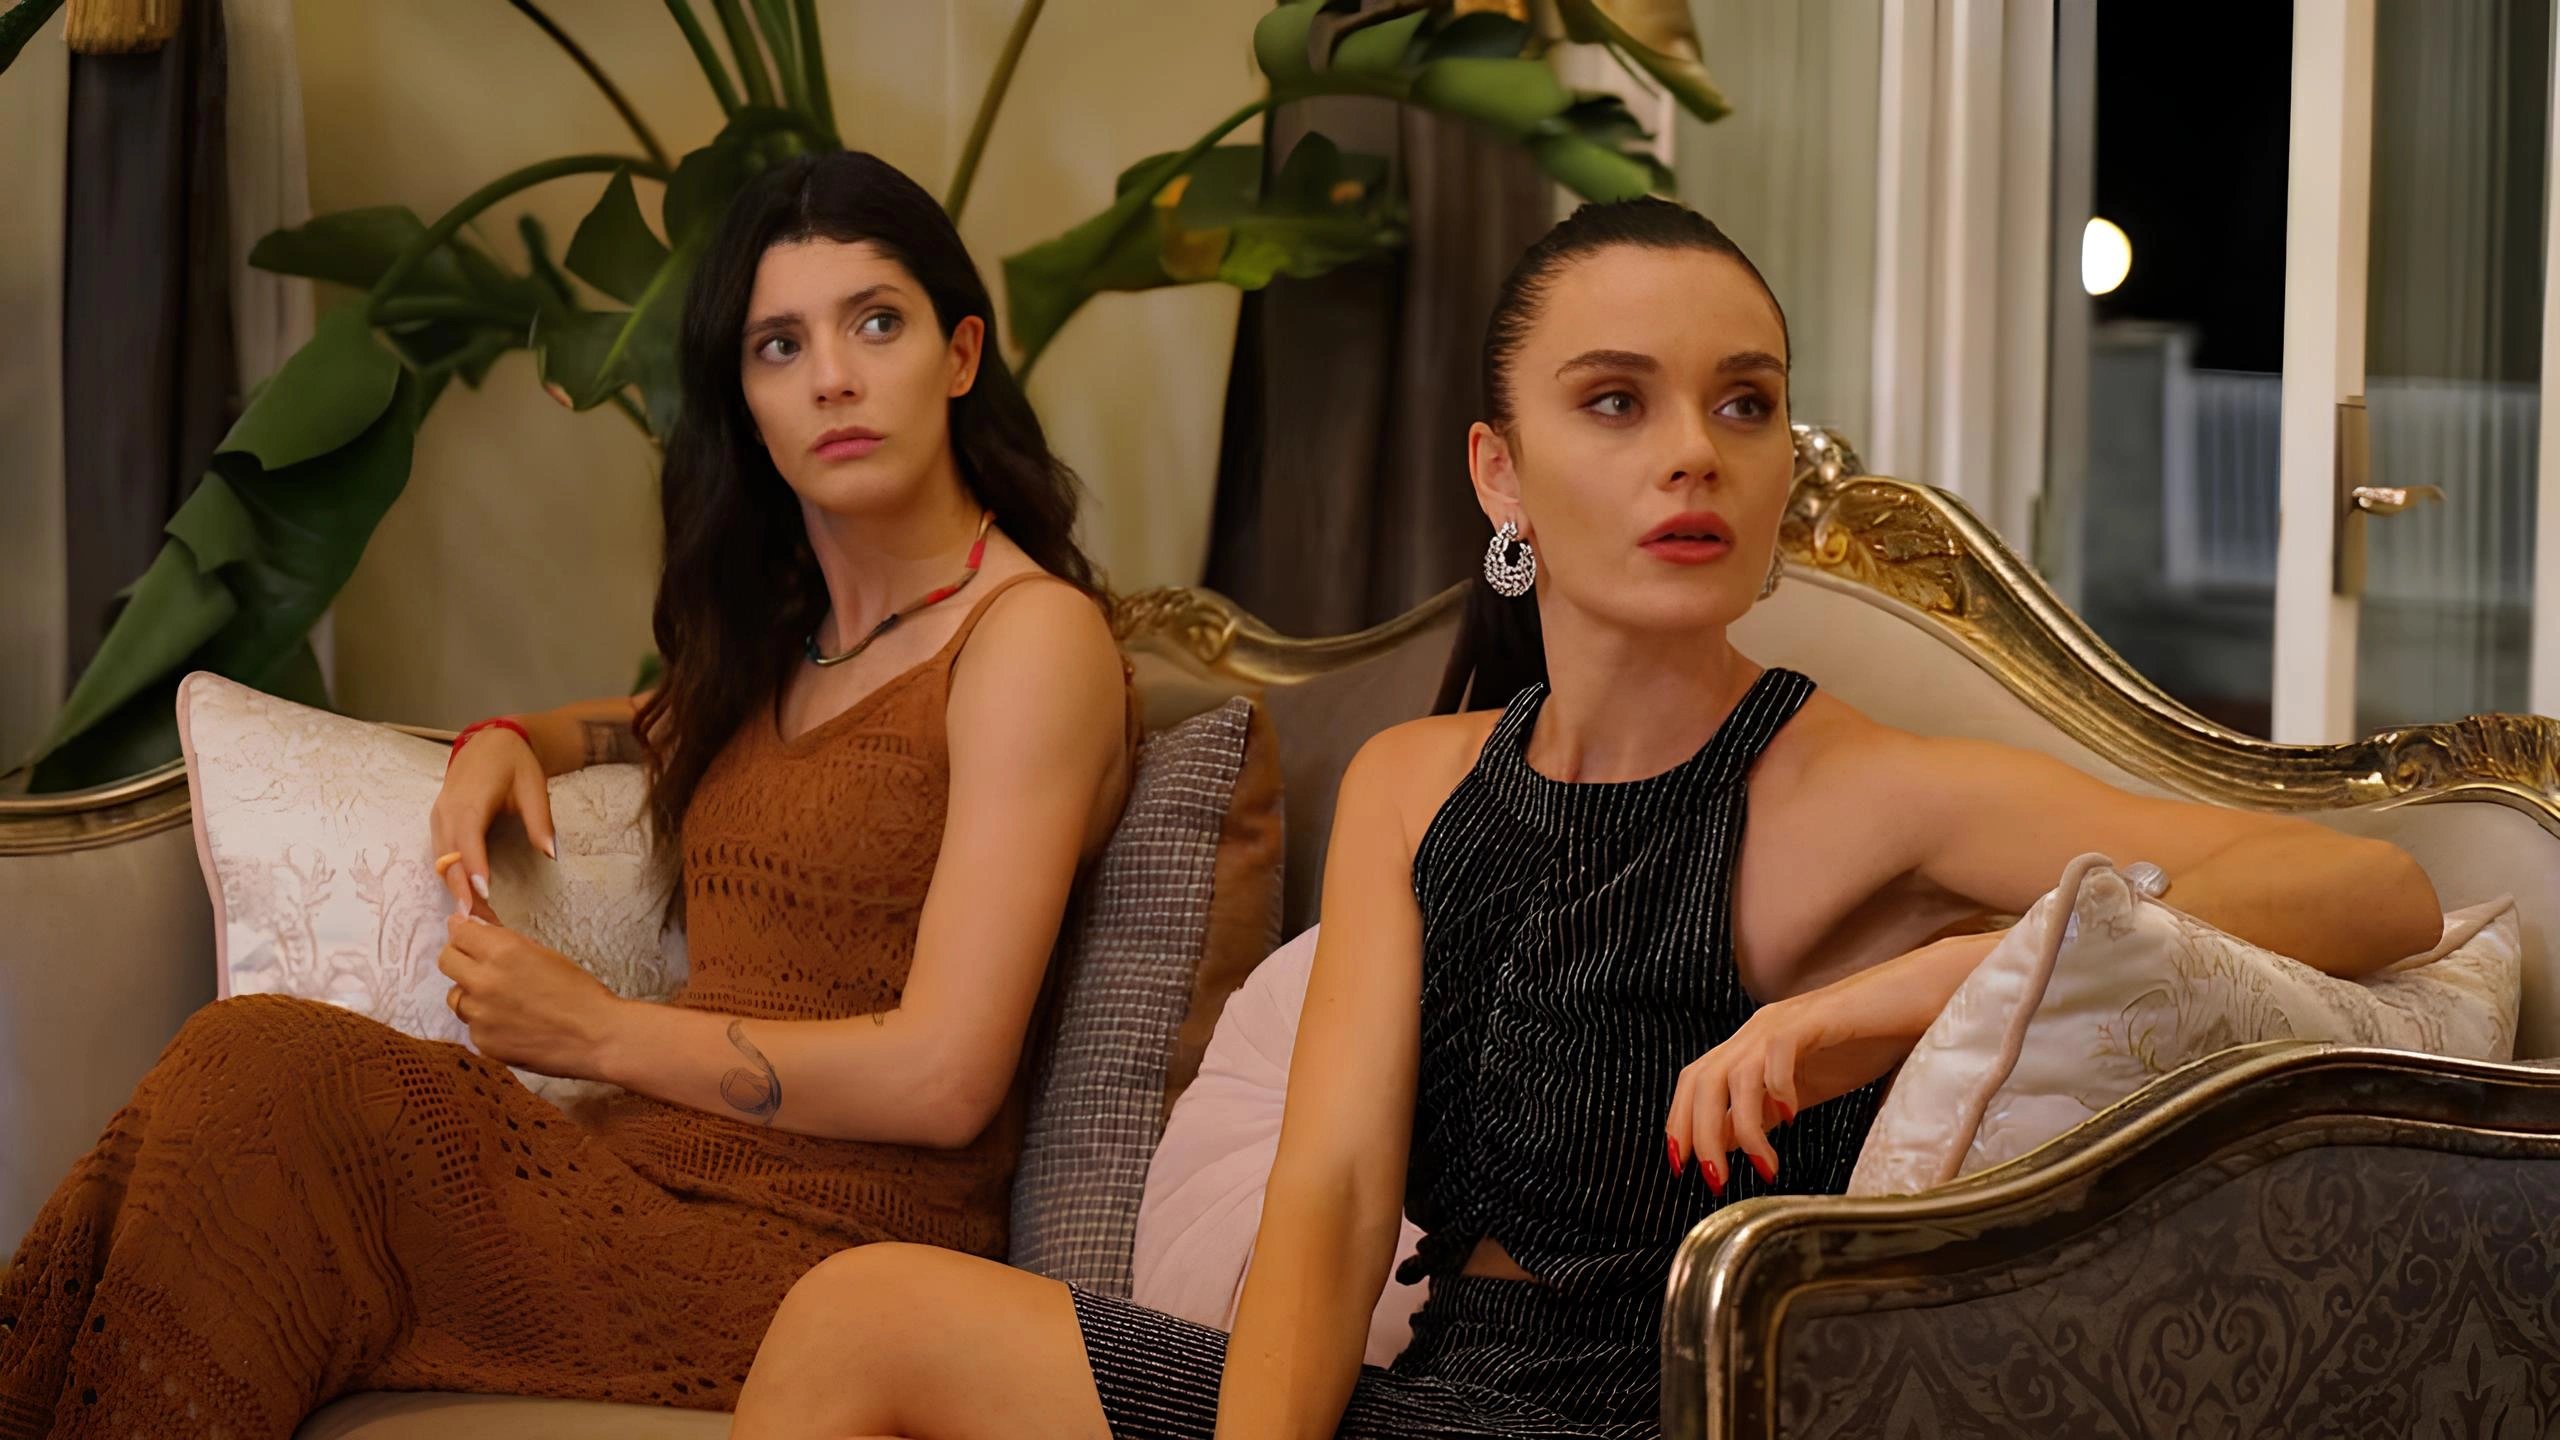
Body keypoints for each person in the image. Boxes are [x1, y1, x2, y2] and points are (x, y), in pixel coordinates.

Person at [725, 197, 2445, 1440]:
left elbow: (2373, 892)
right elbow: (1333, 1201)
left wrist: (1914, 994)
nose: (1693, 453)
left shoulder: (1854, 783)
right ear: (1502, 474)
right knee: (857, 1314)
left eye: (1743, 403)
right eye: (1617, 402)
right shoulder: (1416, 781)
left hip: (1643, 1413)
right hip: (1422, 1394)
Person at [0, 149, 1136, 1439]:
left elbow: (945, 1076)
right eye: (779, 345)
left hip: (824, 1266)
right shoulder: (794, 644)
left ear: (961, 353)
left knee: (268, 1080)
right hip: (644, 1179)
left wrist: (598, 1035)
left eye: (876, 322)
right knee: (236, 1083)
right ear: (746, 403)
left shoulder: (1027, 641)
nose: (833, 376)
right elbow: (628, 725)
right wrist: (506, 739)